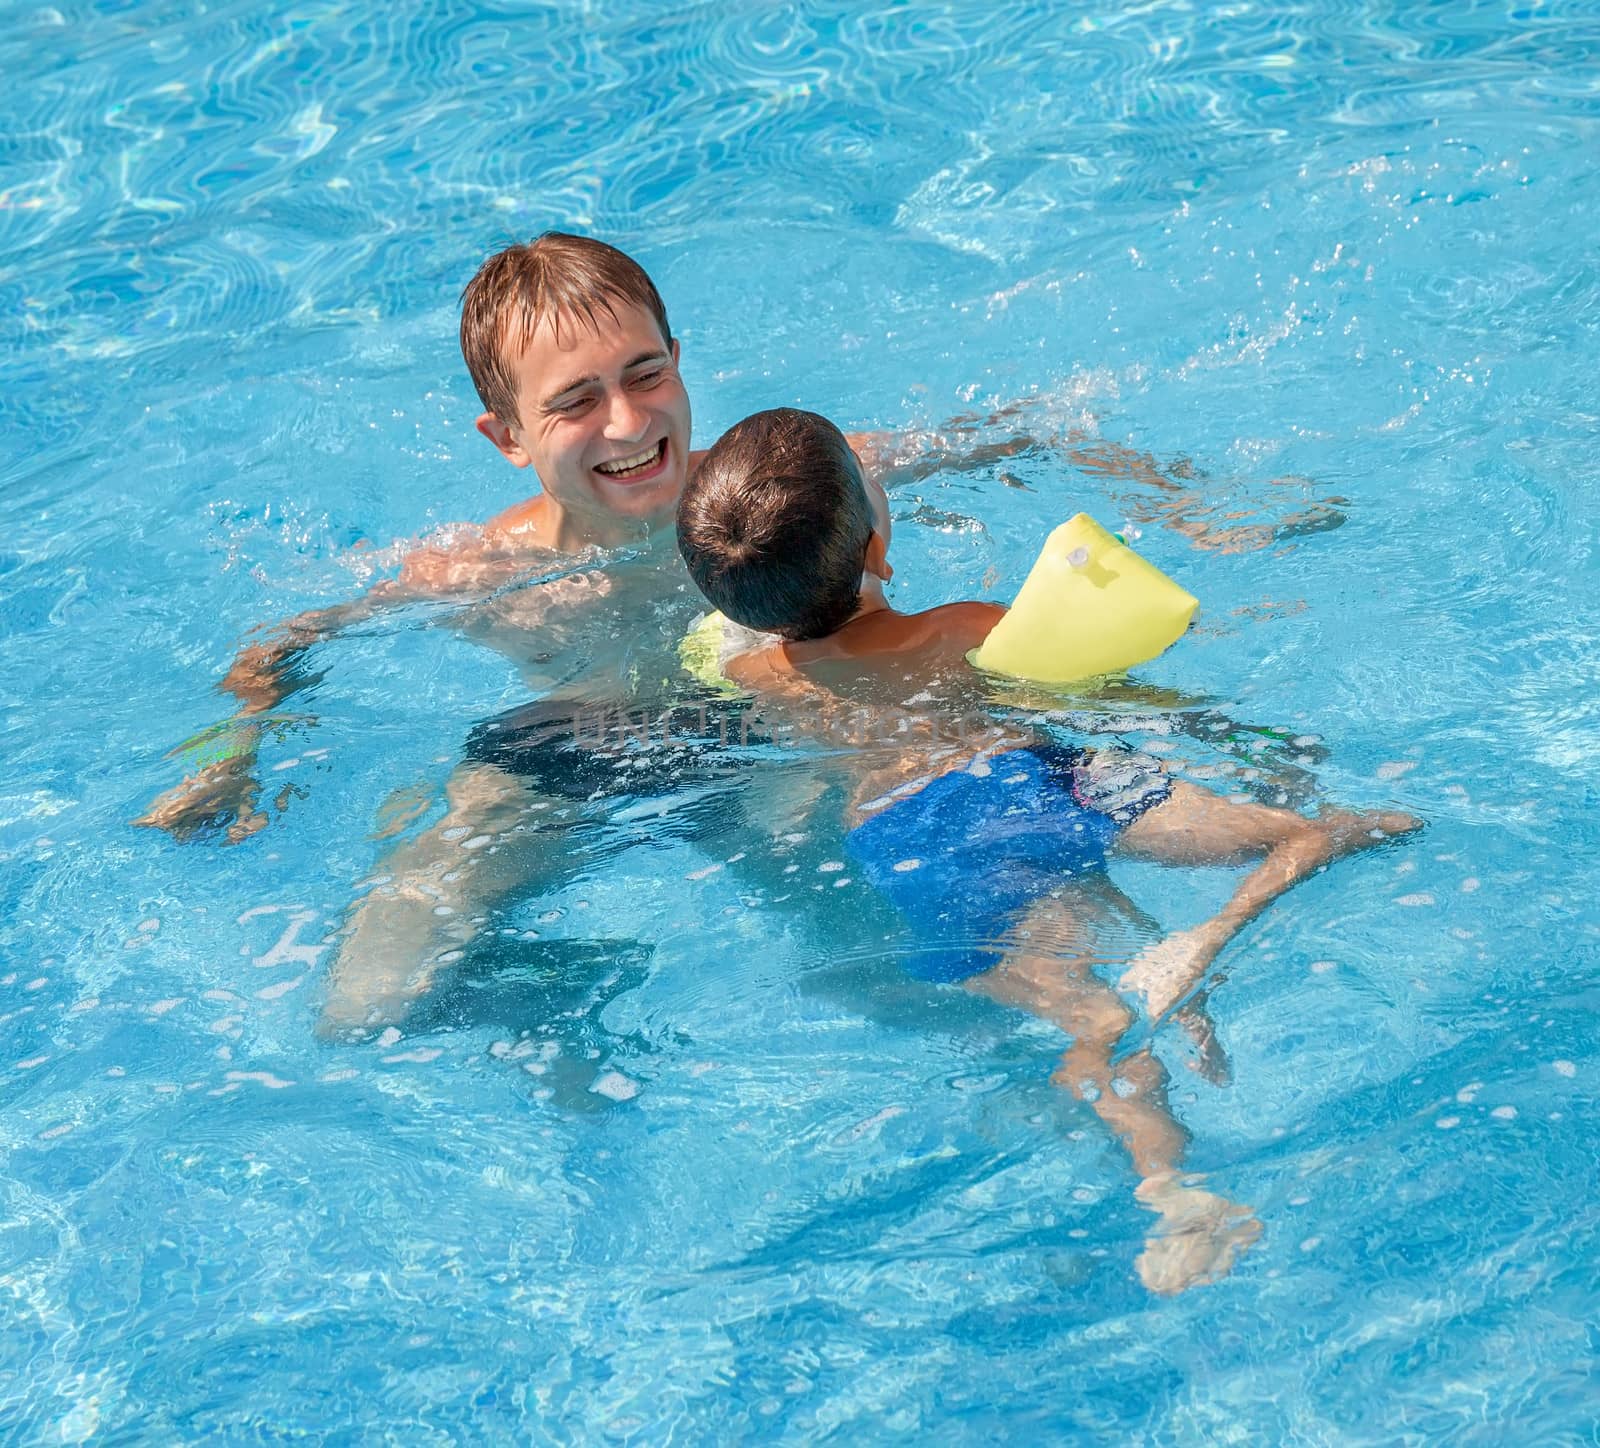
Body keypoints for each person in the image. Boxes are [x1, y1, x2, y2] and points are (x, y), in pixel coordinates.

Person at [132, 233, 1351, 1031]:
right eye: (575, 401)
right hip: (573, 746)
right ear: (505, 435)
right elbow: (278, 644)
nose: (630, 421)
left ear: (677, 359)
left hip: (777, 737)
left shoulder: (792, 484)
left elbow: (1029, 425)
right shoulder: (480, 572)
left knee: (948, 985)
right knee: (367, 1011)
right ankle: (554, 988)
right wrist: (226, 757)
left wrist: (1191, 502)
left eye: (646, 371)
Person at [675, 407, 1419, 1294]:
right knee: (1311, 831)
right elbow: (1122, 696)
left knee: (1094, 1023)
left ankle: (1171, 1192)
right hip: (1022, 780)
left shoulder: (747, 676)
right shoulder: (962, 629)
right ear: (877, 546)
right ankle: (1206, 940)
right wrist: (1239, 733)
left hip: (897, 842)